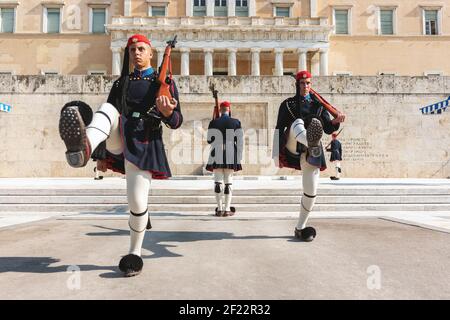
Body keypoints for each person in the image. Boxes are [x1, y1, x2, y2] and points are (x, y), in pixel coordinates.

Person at [58, 34, 183, 277]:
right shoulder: (120, 84)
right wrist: (100, 155)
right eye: (132, 49)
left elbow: (177, 122)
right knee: (106, 109)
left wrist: (168, 112)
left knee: (137, 204)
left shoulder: (163, 82)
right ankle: (83, 148)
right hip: (120, 135)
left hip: (145, 141)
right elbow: (106, 120)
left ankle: (134, 254)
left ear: (150, 54)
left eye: (141, 49)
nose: (136, 53)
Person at [274, 70, 345, 241]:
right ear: (297, 85)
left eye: (308, 83)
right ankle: (309, 139)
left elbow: (327, 128)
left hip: (311, 150)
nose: (305, 86)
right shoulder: (288, 104)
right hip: (293, 143)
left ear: (311, 85)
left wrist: (336, 121)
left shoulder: (318, 106)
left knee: (311, 191)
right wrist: (275, 155)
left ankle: (301, 228)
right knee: (298, 122)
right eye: (302, 83)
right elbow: (278, 128)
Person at [205, 101, 243, 217]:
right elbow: (240, 141)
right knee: (228, 183)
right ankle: (227, 210)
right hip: (231, 152)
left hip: (217, 152)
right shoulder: (236, 122)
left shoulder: (214, 122)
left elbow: (209, 140)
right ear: (229, 110)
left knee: (218, 182)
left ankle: (220, 209)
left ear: (220, 110)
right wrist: (239, 156)